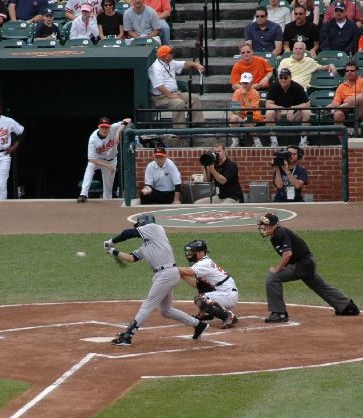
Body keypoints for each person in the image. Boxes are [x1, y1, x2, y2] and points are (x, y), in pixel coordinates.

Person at [103, 214, 210, 346]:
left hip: (166, 273)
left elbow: (127, 233)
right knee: (166, 310)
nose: (137, 228)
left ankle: (128, 335)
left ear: (143, 224)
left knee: (148, 304)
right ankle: (199, 325)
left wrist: (111, 241)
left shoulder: (155, 228)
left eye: (138, 225)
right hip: (165, 275)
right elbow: (132, 258)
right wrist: (112, 251)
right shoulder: (147, 245)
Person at [257, 212, 360, 323]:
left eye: (266, 226)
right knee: (319, 285)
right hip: (305, 263)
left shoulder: (280, 232)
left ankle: (279, 313)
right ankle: (347, 307)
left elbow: (287, 254)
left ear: (274, 226)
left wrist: (278, 269)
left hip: (303, 264)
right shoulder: (276, 235)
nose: (263, 228)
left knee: (273, 277)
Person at [177, 239, 240, 329]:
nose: (189, 254)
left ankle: (228, 316)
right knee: (202, 287)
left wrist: (169, 268)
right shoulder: (202, 263)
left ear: (202, 253)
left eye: (193, 252)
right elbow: (197, 285)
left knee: (201, 298)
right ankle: (206, 315)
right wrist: (182, 276)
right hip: (223, 293)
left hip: (228, 295)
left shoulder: (205, 263)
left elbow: (187, 271)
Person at [148, 45, 205, 128]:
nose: (173, 54)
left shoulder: (170, 62)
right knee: (179, 103)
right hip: (160, 98)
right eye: (171, 53)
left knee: (195, 98)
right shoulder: (155, 68)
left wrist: (196, 65)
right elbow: (159, 86)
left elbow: (184, 64)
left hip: (174, 93)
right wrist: (170, 95)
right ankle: (179, 129)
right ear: (166, 56)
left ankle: (197, 124)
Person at [76, 116, 131, 202]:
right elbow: (91, 159)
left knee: (108, 188)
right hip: (98, 160)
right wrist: (107, 165)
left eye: (106, 127)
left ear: (109, 127)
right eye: (102, 127)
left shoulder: (113, 128)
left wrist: (118, 132)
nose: (104, 129)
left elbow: (128, 120)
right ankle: (83, 194)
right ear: (99, 127)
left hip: (111, 160)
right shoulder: (93, 138)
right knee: (90, 166)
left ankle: (107, 204)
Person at [265, 67, 311, 147]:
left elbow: (307, 104)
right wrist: (282, 109)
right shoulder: (274, 86)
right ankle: (274, 141)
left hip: (294, 115)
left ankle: (303, 141)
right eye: (281, 77)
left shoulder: (297, 87)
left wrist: (293, 108)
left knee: (307, 112)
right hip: (279, 114)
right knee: (269, 113)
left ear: (290, 78)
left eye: (285, 78)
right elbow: (268, 104)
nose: (283, 80)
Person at [329, 61, 363, 127]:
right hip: (346, 110)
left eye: (352, 71)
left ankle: (335, 109)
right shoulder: (341, 86)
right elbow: (336, 102)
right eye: (347, 71)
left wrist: (351, 100)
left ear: (357, 71)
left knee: (358, 98)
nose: (349, 72)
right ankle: (342, 134)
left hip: (362, 109)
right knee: (337, 114)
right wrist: (335, 105)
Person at [230, 72, 265, 147]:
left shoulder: (255, 93)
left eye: (246, 83)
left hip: (254, 116)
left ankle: (257, 142)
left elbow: (251, 110)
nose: (244, 85)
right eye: (243, 83)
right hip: (240, 115)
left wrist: (245, 97)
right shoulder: (237, 92)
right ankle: (235, 141)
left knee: (247, 119)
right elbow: (234, 110)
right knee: (233, 118)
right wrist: (241, 111)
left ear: (251, 83)